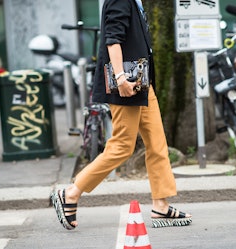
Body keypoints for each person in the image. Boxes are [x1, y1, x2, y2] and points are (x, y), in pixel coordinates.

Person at [51, 0, 192, 230]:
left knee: (157, 143)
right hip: (126, 83)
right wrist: (120, 78)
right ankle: (71, 192)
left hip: (142, 83)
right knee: (122, 146)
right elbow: (113, 39)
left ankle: (161, 204)